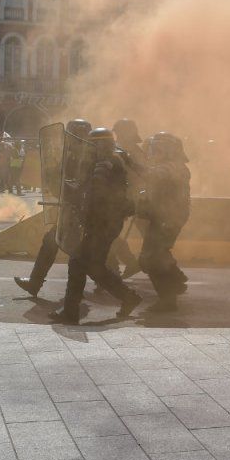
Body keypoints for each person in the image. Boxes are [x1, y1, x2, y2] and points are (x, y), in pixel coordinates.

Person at [52, 127, 142, 324]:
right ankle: (129, 298)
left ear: (100, 145)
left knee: (79, 263)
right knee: (94, 266)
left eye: (92, 145)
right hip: (104, 222)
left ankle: (70, 312)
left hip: (103, 223)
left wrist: (70, 189)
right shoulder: (108, 161)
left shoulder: (105, 164)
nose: (88, 148)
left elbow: (97, 192)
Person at [15, 119, 92, 297]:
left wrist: (66, 187)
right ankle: (35, 284)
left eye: (75, 135)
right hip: (72, 210)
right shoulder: (72, 154)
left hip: (85, 211)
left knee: (86, 254)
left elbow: (84, 185)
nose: (72, 139)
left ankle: (118, 290)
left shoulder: (89, 156)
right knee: (52, 242)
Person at [130, 132, 191, 314]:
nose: (154, 151)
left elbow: (152, 175)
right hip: (164, 216)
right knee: (156, 256)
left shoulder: (173, 167)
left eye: (158, 148)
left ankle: (168, 299)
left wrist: (128, 161)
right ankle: (176, 282)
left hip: (168, 218)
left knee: (151, 259)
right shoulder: (170, 166)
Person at [110, 119, 146, 278]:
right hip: (123, 198)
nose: (118, 136)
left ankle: (113, 272)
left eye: (120, 133)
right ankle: (131, 263)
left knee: (109, 234)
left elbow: (141, 176)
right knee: (111, 234)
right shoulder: (120, 150)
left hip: (129, 200)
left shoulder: (134, 153)